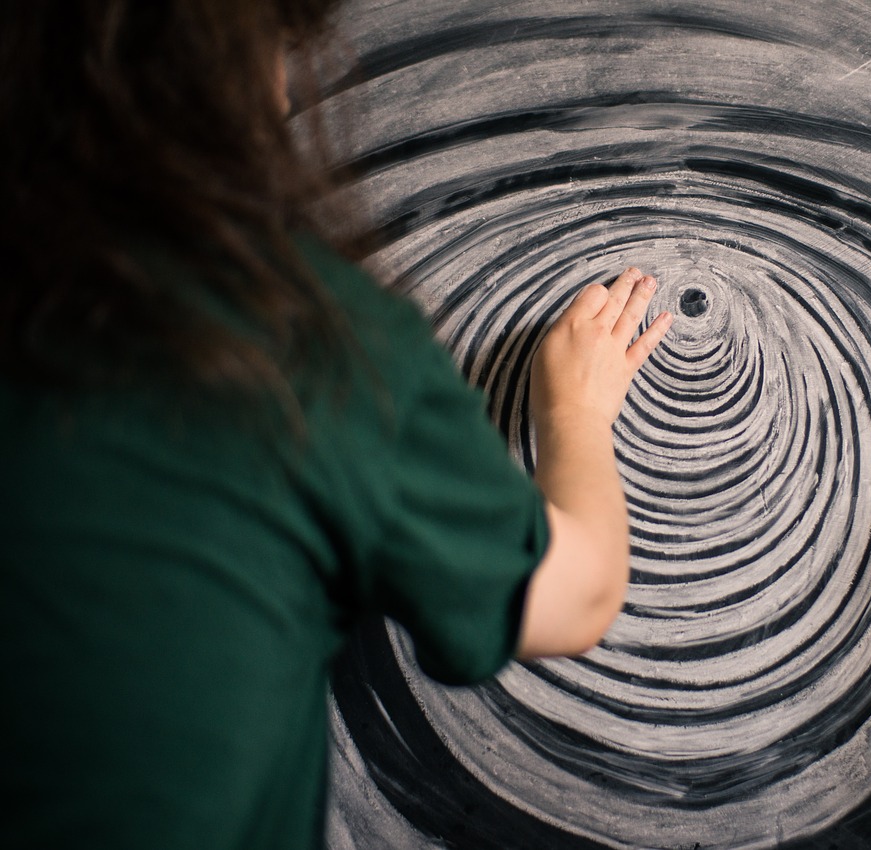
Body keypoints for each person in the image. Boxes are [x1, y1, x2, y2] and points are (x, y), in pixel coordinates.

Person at [0, 1, 673, 847]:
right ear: (223, 65)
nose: (286, 96)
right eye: (279, 51)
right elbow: (575, 598)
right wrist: (575, 409)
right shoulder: (293, 346)